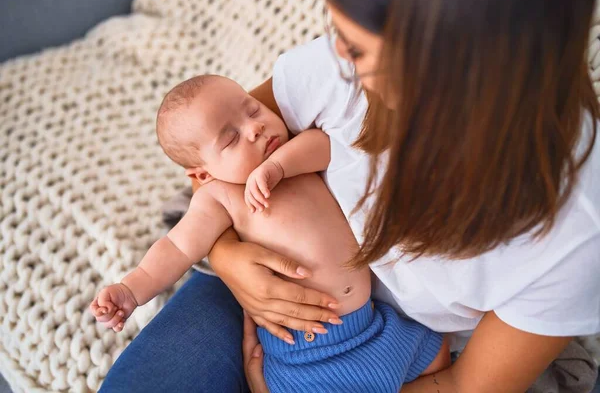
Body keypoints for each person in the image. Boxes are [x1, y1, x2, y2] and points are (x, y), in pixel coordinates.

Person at [101, 0, 600, 392]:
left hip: (395, 338)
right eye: (339, 34)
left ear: (445, 68)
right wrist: (229, 258)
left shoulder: (576, 232)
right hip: (264, 307)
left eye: (357, 49)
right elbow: (214, 158)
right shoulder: (336, 69)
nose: (337, 54)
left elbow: (465, 383)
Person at [92, 74, 448, 392]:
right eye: (231, 140)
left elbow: (327, 148)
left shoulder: (293, 152)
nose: (255, 129)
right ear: (203, 175)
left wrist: (279, 166)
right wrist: (131, 289)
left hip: (375, 328)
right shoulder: (219, 198)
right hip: (307, 354)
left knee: (438, 354)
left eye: (253, 110)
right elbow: (177, 247)